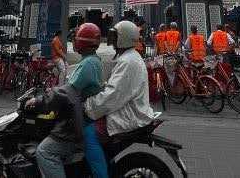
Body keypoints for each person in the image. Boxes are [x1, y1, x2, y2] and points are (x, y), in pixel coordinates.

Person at [34, 23, 105, 178]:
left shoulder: (88, 64)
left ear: (82, 42)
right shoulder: (91, 61)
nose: (73, 42)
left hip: (76, 120)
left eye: (76, 39)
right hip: (79, 114)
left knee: (45, 151)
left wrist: (40, 101)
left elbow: (67, 92)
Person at [84, 20, 160, 161]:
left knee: (89, 133)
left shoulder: (127, 61)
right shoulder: (130, 57)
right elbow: (116, 88)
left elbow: (112, 96)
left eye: (114, 37)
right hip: (131, 109)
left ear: (123, 38)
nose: (112, 41)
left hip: (127, 115)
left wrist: (88, 105)